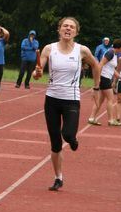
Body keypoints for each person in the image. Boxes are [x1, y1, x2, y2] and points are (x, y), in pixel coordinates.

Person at [33, 17, 101, 191]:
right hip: (52, 99)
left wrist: (96, 86)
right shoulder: (49, 49)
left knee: (68, 135)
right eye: (65, 26)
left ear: (76, 32)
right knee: (55, 143)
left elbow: (96, 66)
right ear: (59, 29)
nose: (68, 29)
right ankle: (58, 177)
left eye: (71, 27)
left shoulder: (82, 50)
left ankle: (72, 139)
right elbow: (38, 72)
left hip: (71, 99)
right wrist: (37, 73)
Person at [88, 38, 121, 126]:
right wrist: (98, 79)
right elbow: (100, 65)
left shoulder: (115, 54)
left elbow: (112, 69)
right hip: (104, 78)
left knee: (100, 100)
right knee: (110, 99)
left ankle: (92, 118)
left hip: (106, 78)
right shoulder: (110, 53)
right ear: (120, 47)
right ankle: (111, 120)